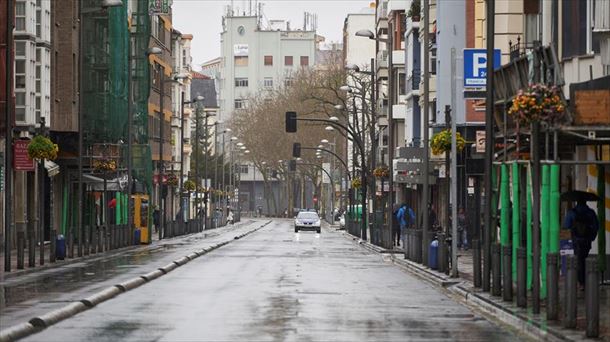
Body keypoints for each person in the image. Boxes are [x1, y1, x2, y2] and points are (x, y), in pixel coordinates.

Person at [563, 199, 599, 287]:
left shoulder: (572, 212)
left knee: (578, 260)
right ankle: (586, 280)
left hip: (576, 240)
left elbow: (566, 225)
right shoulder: (591, 212)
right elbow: (596, 226)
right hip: (587, 240)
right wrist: (591, 237)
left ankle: (581, 282)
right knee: (585, 259)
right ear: (585, 202)